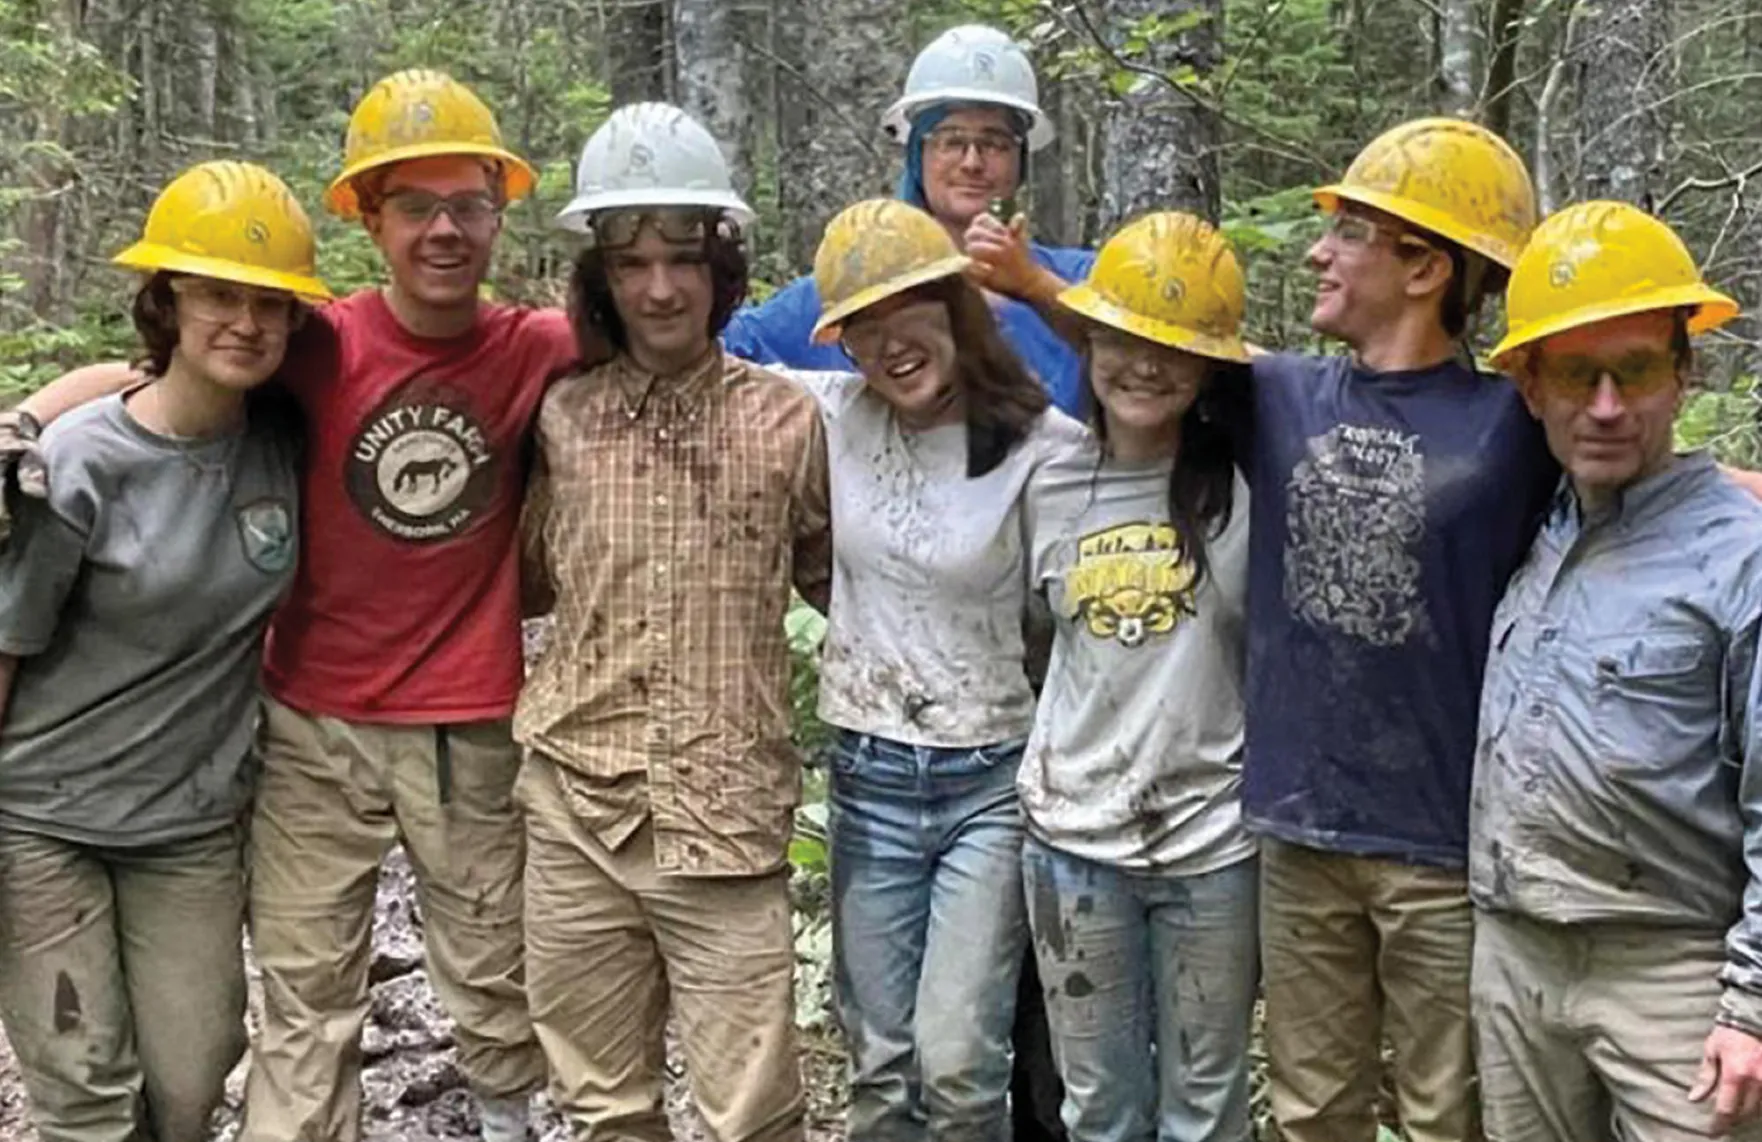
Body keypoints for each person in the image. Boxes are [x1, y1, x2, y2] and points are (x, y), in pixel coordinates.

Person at [6, 69, 578, 1142]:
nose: (445, 229)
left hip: (469, 719)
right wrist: (21, 419)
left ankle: (509, 1117)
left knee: (492, 968)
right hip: (311, 720)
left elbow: (678, 339)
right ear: (369, 217)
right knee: (307, 996)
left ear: (501, 212)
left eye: (469, 204)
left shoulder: (534, 345)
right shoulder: (317, 344)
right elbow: (140, 375)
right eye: (415, 205)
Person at [514, 101, 832, 1142]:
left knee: (752, 1112)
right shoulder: (562, 416)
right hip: (573, 805)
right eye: (632, 261)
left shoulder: (789, 418)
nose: (658, 286)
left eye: (682, 259)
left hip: (725, 816)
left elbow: (848, 584)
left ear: (720, 266)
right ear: (600, 278)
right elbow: (518, 576)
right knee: (602, 1103)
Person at [1236, 118, 1556, 1142]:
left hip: (1443, 843)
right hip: (1299, 824)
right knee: (1312, 1109)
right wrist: (1018, 282)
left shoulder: (1511, 422)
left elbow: (1660, 477)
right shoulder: (1276, 394)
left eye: (1349, 235)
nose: (1318, 253)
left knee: (1442, 1114)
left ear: (1422, 266)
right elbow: (1150, 344)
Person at [0, 161, 326, 1142]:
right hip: (44, 818)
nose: (247, 322)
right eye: (219, 294)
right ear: (168, 299)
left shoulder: (283, 437)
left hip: (189, 825)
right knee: (87, 1093)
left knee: (191, 1083)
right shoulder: (74, 466)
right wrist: (22, 424)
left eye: (270, 303)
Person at [789, 197, 1086, 1142]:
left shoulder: (1049, 451)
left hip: (990, 781)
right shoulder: (829, 415)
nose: (889, 344)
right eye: (863, 328)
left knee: (958, 1064)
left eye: (910, 310)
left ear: (960, 304)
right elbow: (695, 371)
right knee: (881, 1065)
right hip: (870, 772)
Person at [1471, 200, 1762, 1142]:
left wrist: (1751, 1005)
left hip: (1674, 973)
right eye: (1574, 373)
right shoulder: (1527, 521)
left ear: (1684, 375)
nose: (1605, 405)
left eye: (1635, 371)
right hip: (1514, 953)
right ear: (1527, 384)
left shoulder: (1741, 556)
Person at [1019, 212, 1258, 1142]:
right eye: (1121, 339)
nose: (1145, 367)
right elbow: (1034, 641)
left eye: (1174, 348)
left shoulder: (1246, 482)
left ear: (1207, 367)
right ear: (1088, 341)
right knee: (1100, 1108)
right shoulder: (1047, 478)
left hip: (1216, 845)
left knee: (1207, 1106)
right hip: (1074, 841)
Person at [723, 24, 1095, 419]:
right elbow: (721, 349)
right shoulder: (852, 284)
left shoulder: (1075, 276)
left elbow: (1141, 350)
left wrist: (1033, 285)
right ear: (919, 155)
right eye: (951, 140)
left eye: (995, 144)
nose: (972, 162)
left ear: (1021, 159)